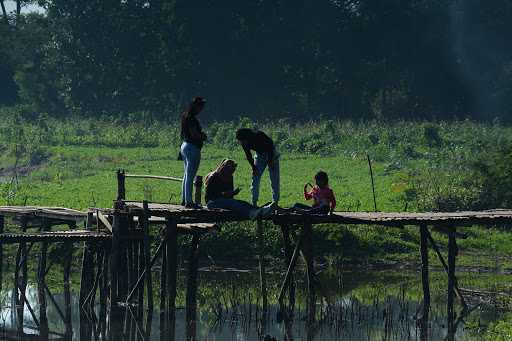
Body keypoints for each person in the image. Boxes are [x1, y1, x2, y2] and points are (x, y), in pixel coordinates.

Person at [205, 159, 275, 219]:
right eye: (230, 171)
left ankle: (260, 210)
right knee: (232, 203)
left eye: (232, 171)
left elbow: (230, 197)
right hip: (212, 203)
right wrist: (224, 194)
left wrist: (233, 193)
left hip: (224, 201)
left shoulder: (230, 177)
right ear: (224, 168)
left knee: (243, 203)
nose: (231, 173)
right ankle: (250, 214)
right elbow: (210, 196)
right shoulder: (214, 177)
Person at [235, 128, 280, 206]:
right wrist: (253, 167)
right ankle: (254, 203)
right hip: (259, 156)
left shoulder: (259, 135)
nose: (241, 143)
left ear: (246, 137)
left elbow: (270, 146)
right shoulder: (244, 143)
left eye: (242, 140)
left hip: (271, 154)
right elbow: (248, 155)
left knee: (274, 179)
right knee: (255, 178)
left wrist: (271, 161)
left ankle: (275, 202)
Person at [180, 97, 207, 208]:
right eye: (200, 106)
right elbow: (194, 134)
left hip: (185, 145)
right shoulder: (191, 118)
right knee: (190, 175)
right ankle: (189, 202)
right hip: (192, 147)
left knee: (187, 174)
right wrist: (203, 136)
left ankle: (184, 199)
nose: (201, 109)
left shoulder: (185, 116)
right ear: (196, 106)